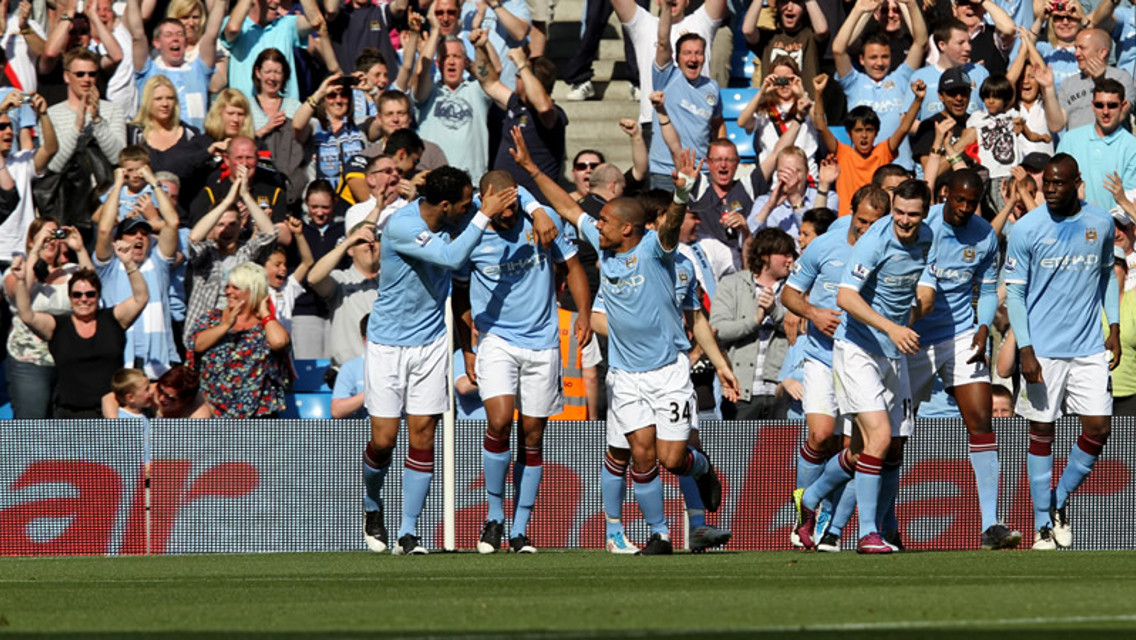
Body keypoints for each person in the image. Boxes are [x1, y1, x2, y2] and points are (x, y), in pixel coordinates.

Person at [513, 133, 725, 556]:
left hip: (667, 373)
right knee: (641, 459)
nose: (597, 225)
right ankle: (661, 534)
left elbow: (669, 225)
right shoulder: (604, 244)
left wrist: (681, 189)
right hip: (626, 375)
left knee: (672, 457)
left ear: (627, 228)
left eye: (605, 221)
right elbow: (570, 209)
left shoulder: (654, 250)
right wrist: (532, 169)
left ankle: (702, 470)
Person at [361, 167, 516, 556]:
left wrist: (536, 209)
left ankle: (408, 532)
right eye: (466, 205)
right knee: (384, 440)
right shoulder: (401, 225)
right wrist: (482, 216)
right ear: (446, 206)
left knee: (423, 436)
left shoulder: (455, 216)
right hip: (387, 345)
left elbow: (505, 195)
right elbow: (449, 257)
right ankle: (372, 503)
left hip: (430, 343)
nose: (473, 209)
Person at [454, 171, 592, 555]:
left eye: (513, 204)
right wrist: (467, 347)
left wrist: (582, 313)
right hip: (496, 340)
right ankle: (494, 517)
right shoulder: (472, 235)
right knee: (498, 421)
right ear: (485, 202)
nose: (507, 212)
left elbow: (574, 266)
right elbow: (460, 296)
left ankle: (519, 529)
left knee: (533, 436)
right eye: (499, 205)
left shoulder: (540, 221)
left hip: (543, 342)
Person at [795, 179, 933, 554]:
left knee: (861, 452)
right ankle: (869, 533)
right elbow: (845, 297)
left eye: (913, 214)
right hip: (856, 348)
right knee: (881, 438)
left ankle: (810, 499)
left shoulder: (927, 237)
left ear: (925, 213)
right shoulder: (874, 241)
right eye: (900, 212)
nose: (905, 221)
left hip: (892, 352)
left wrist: (916, 306)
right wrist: (892, 326)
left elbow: (919, 287)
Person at [1004, 154, 1119, 550]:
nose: (1049, 190)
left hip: (1088, 346)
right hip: (1044, 350)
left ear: (1075, 183)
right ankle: (1041, 526)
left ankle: (1058, 500)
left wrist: (1114, 327)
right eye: (1045, 184)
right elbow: (1016, 293)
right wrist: (1026, 348)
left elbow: (1106, 276)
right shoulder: (1027, 229)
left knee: (1100, 428)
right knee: (1041, 430)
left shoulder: (1100, 222)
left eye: (1057, 183)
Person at [907, 169, 1022, 550]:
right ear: (945, 194)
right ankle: (880, 524)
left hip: (960, 336)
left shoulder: (985, 235)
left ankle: (990, 525)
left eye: (971, 203)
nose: (965, 208)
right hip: (914, 338)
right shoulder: (921, 228)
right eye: (959, 200)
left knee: (981, 419)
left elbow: (987, 289)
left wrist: (984, 325)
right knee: (890, 435)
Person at [782, 185, 890, 551]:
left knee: (857, 448)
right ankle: (805, 518)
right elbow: (789, 293)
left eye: (875, 223)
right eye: (861, 221)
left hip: (861, 356)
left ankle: (819, 505)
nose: (866, 230)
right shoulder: (824, 245)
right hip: (821, 355)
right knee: (820, 434)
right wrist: (812, 312)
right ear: (851, 212)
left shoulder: (888, 248)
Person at [14, 261, 148, 419]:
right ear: (70, 298)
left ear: (98, 296)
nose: (83, 299)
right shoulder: (57, 326)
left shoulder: (113, 319)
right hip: (70, 413)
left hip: (111, 412)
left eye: (90, 294)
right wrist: (21, 281)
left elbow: (141, 298)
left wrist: (129, 264)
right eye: (77, 294)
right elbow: (26, 315)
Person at [94, 164, 181, 378]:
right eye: (132, 233)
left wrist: (153, 182)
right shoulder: (110, 266)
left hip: (159, 365)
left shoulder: (158, 262)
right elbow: (104, 229)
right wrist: (118, 186)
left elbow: (172, 222)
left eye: (144, 232)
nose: (139, 237)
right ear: (119, 240)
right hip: (121, 363)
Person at [3, 221, 93, 419]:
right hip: (30, 360)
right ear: (31, 239)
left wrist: (80, 250)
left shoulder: (72, 270)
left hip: (69, 360)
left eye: (54, 234)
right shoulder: (17, 270)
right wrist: (35, 253)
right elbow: (20, 294)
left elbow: (93, 289)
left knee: (66, 428)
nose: (49, 240)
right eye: (44, 234)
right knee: (32, 425)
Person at [831, 0, 928, 173]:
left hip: (900, 168)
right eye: (873, 57)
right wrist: (859, 9)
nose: (879, 63)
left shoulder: (901, 77)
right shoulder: (853, 82)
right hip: (863, 169)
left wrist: (912, 4)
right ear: (862, 60)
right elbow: (838, 49)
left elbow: (920, 42)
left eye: (884, 57)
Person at [710, 228, 795, 419]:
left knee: (777, 450)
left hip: (780, 392)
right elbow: (717, 329)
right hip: (739, 391)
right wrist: (754, 321)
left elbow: (800, 329)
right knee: (737, 449)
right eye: (785, 254)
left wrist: (775, 311)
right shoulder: (732, 284)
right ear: (765, 256)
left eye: (792, 254)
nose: (790, 260)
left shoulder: (794, 289)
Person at [187, 261, 291, 418]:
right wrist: (226, 325)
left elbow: (279, 343)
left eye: (235, 288)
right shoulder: (212, 318)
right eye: (227, 287)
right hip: (213, 412)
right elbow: (197, 345)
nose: (228, 292)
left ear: (253, 291)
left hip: (257, 416)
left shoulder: (267, 325)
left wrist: (264, 312)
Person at [185, 163, 279, 333]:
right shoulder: (206, 252)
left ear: (241, 226)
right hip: (206, 328)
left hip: (242, 328)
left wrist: (245, 195)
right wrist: (228, 200)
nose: (226, 229)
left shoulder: (247, 252)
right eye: (220, 224)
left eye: (232, 224)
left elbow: (270, 233)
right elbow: (194, 238)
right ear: (212, 227)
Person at [814, 74, 924, 216]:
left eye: (869, 130)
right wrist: (818, 93)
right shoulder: (842, 152)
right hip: (847, 221)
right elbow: (821, 127)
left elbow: (903, 128)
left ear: (877, 133)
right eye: (858, 130)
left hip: (877, 220)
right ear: (849, 134)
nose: (864, 136)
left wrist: (918, 99)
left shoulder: (883, 152)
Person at [645, 3, 723, 189]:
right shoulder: (667, 77)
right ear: (677, 58)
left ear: (704, 57)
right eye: (687, 53)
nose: (693, 59)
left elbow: (718, 124)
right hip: (666, 172)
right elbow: (663, 41)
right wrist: (666, 7)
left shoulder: (712, 87)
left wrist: (720, 155)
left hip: (701, 174)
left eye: (698, 53)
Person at [128, 0, 224, 131]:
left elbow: (212, 35)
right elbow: (138, 35)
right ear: (157, 43)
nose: (175, 39)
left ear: (185, 41)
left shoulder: (198, 69)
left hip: (194, 144)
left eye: (180, 34)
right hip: (157, 143)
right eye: (168, 35)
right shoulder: (148, 70)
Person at [308, 220, 381, 369]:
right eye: (362, 241)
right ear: (350, 250)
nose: (370, 243)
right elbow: (313, 278)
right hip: (347, 370)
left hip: (384, 370)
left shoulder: (393, 283)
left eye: (376, 239)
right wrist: (348, 241)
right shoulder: (341, 280)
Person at [127, 76, 214, 198]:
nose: (165, 104)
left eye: (170, 98)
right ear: (147, 102)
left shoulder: (190, 134)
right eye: (158, 99)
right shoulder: (134, 134)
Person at [1056, 78, 1136, 212]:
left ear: (1123, 106)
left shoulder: (1132, 146)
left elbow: (1131, 199)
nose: (1105, 111)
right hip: (1074, 223)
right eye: (1100, 105)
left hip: (1114, 227)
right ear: (1092, 105)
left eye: (1112, 105)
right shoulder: (1070, 139)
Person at [686, 138, 766, 269]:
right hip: (706, 266)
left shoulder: (747, 186)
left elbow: (776, 154)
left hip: (740, 266)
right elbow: (675, 149)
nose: (723, 165)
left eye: (729, 160)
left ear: (737, 162)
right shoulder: (700, 188)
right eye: (717, 159)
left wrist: (744, 228)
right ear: (708, 163)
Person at [738, 56, 818, 179]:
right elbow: (742, 122)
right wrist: (762, 92)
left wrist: (802, 94)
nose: (784, 85)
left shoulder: (809, 106)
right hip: (773, 182)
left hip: (806, 182)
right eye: (779, 80)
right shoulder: (764, 111)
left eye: (789, 80)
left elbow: (820, 124)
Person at [294, 72, 368, 204]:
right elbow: (297, 125)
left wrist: (373, 91)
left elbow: (386, 121)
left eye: (343, 95)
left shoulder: (361, 125)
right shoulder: (314, 126)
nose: (338, 101)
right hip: (320, 208)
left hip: (356, 205)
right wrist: (320, 92)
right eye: (332, 95)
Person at [748, 148, 837, 241]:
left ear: (807, 173)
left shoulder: (829, 197)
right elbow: (746, 242)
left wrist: (795, 198)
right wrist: (768, 207)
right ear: (777, 174)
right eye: (785, 172)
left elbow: (818, 237)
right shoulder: (763, 202)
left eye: (797, 171)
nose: (791, 177)